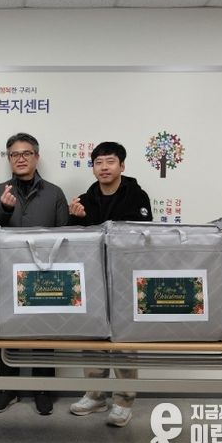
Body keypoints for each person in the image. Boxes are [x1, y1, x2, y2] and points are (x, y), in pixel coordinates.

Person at [68, 141, 152, 427]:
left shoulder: (137, 196)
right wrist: (76, 218)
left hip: (126, 278)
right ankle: (95, 395)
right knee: (92, 338)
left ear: (122, 166)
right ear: (93, 168)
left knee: (124, 342)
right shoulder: (84, 199)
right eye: (99, 162)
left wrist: (91, 221)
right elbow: (75, 242)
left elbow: (139, 235)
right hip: (93, 278)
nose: (104, 167)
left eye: (110, 161)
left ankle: (124, 401)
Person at [0, 132, 69, 416]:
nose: (20, 159)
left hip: (45, 273)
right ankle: (7, 389)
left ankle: (43, 390)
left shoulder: (54, 193)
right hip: (7, 274)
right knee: (7, 331)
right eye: (14, 154)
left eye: (26, 153)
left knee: (45, 332)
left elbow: (65, 235)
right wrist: (4, 209)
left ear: (36, 157)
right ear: (9, 159)